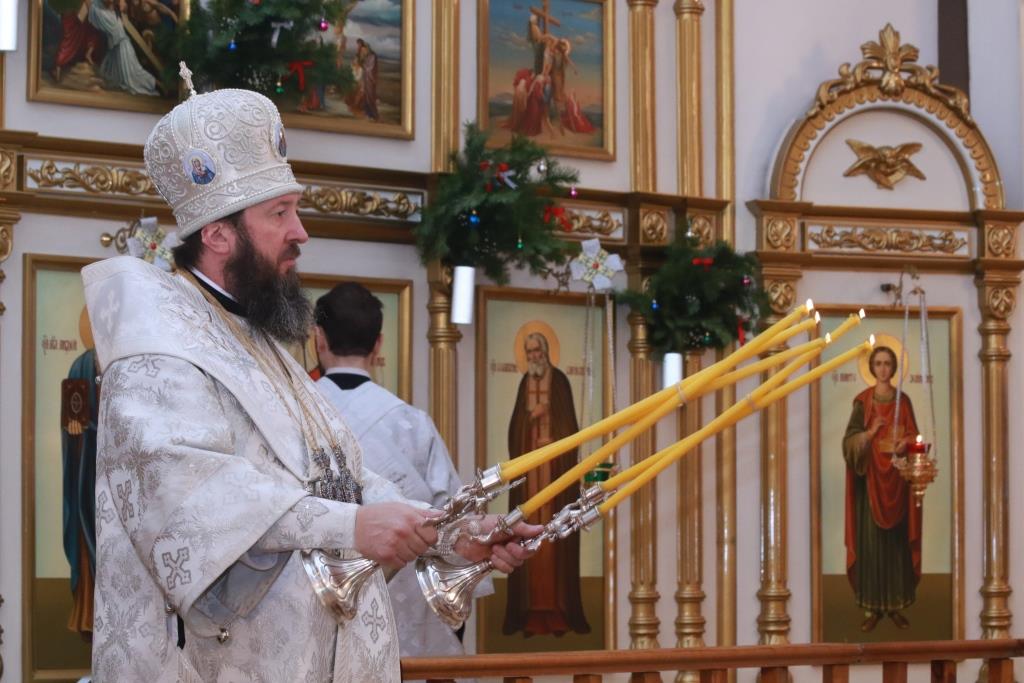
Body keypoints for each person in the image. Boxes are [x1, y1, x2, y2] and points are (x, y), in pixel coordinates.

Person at [83, 70, 537, 682]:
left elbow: (342, 478)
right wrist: (353, 527)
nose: (301, 233)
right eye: (281, 213)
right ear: (218, 235)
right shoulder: (157, 352)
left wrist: (453, 533)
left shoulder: (258, 340)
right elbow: (191, 504)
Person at [312, 282, 492, 661]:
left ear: (318, 338)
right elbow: (453, 517)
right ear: (378, 345)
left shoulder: (295, 414)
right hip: (401, 620)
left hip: (314, 602)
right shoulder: (410, 423)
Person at [504, 332, 589, 637]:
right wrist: (530, 419)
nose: (533, 357)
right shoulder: (524, 384)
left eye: (536, 351)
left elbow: (571, 429)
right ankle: (530, 614)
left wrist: (555, 439)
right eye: (528, 352)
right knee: (529, 539)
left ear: (546, 351)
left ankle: (558, 612)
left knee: (554, 542)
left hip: (556, 476)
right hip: (531, 479)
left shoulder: (560, 382)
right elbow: (515, 430)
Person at [842, 345, 922, 632]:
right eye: (878, 363)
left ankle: (896, 607)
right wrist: (870, 433)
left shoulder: (904, 401)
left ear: (894, 367)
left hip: (897, 483)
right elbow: (849, 443)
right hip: (869, 484)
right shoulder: (862, 402)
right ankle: (873, 609)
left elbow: (915, 436)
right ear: (872, 367)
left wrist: (906, 443)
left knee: (896, 548)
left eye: (888, 363)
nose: (883, 368)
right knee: (871, 547)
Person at [87, 0, 158, 95]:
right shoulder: (105, 14)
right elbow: (94, 7)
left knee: (135, 73)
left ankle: (157, 85)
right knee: (116, 75)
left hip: (123, 48)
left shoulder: (112, 15)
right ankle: (156, 84)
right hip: (116, 48)